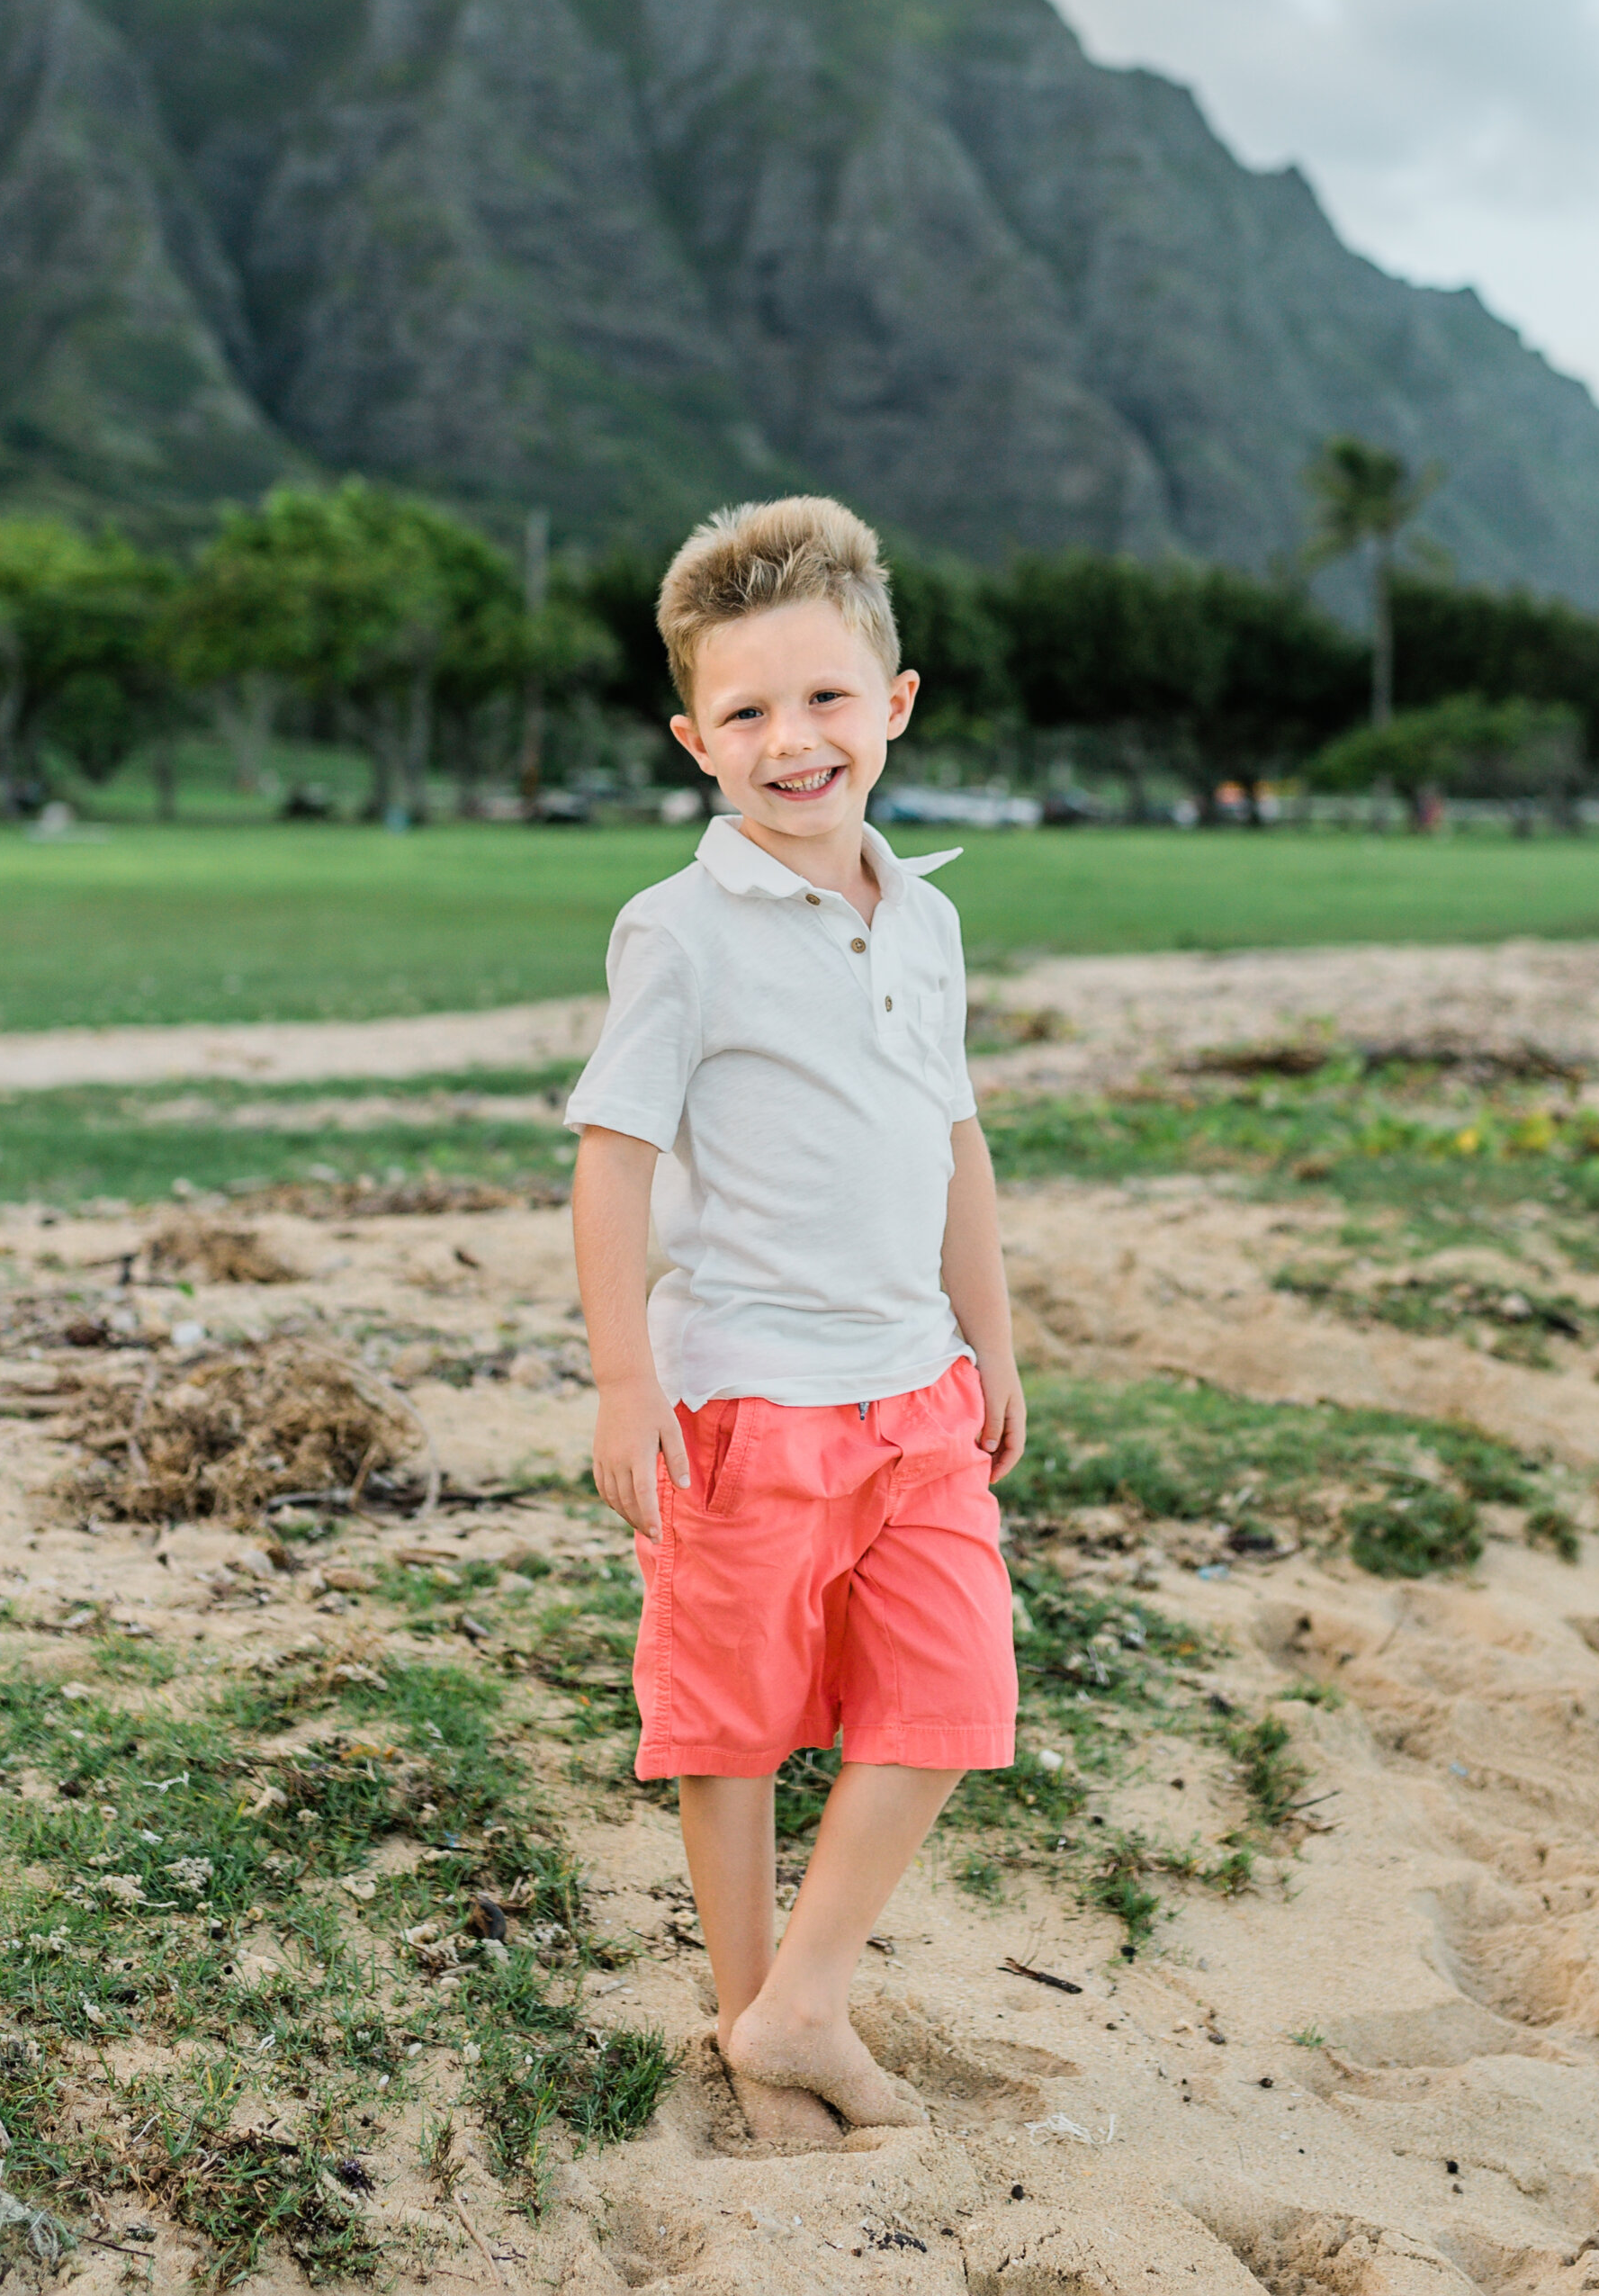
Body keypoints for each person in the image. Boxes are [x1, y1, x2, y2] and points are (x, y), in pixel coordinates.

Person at [566, 496, 1024, 2142]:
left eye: (826, 699)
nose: (793, 740)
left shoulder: (931, 916)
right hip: (744, 1400)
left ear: (894, 705)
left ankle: (799, 2008)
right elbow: (613, 1164)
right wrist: (626, 1384)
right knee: (736, 1729)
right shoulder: (678, 931)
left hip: (914, 1392)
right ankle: (744, 2021)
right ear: (696, 739)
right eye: (748, 712)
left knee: (953, 1692)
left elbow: (951, 1135)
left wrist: (995, 1337)